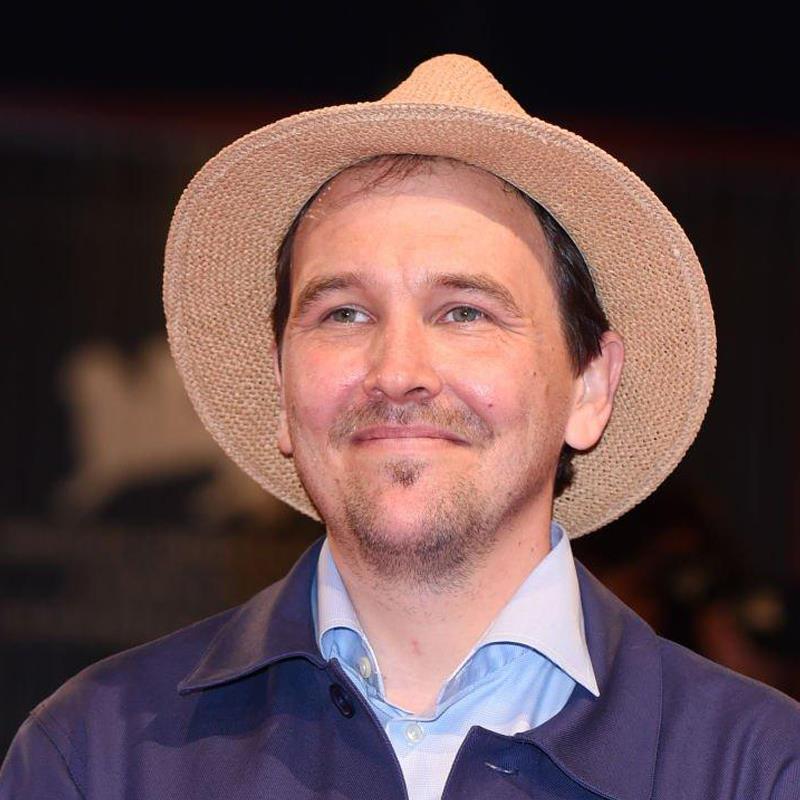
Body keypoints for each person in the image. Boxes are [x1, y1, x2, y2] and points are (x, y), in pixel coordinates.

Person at [2, 53, 798, 800]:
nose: (397, 371)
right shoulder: (94, 757)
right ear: (281, 387)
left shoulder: (756, 770)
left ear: (589, 387)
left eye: (465, 312)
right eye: (344, 313)